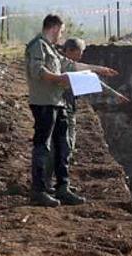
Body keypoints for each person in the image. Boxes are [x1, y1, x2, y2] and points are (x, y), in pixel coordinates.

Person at [25, 15, 118, 207]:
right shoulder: (37, 46)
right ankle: (39, 190)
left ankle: (62, 187)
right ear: (54, 27)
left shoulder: (50, 48)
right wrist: (59, 79)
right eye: (61, 30)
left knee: (62, 145)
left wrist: (98, 69)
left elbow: (71, 65)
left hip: (57, 103)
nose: (62, 34)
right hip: (44, 102)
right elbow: (38, 71)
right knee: (42, 146)